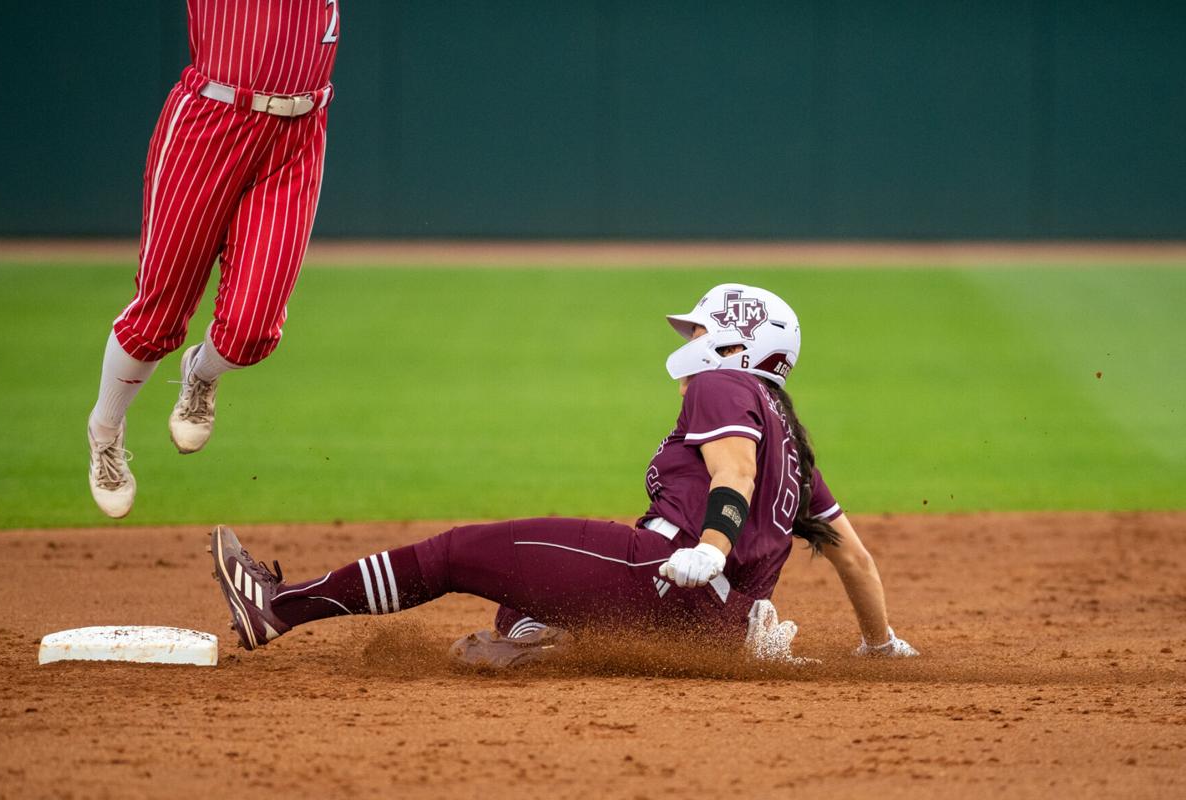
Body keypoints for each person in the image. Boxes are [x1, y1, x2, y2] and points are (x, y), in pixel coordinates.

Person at [209, 284, 918, 663]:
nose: (693, 341)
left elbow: (730, 473)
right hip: (714, 628)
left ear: (739, 340)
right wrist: (880, 647)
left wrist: (710, 548)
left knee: (458, 553)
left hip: (669, 578)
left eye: (702, 329)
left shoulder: (725, 388)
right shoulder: (792, 436)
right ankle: (544, 646)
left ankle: (280, 607)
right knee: (518, 608)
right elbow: (852, 555)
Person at [86, 0, 341, 518]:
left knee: (252, 332)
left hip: (298, 133)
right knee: (158, 315)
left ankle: (200, 375)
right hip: (210, 122)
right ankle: (106, 433)